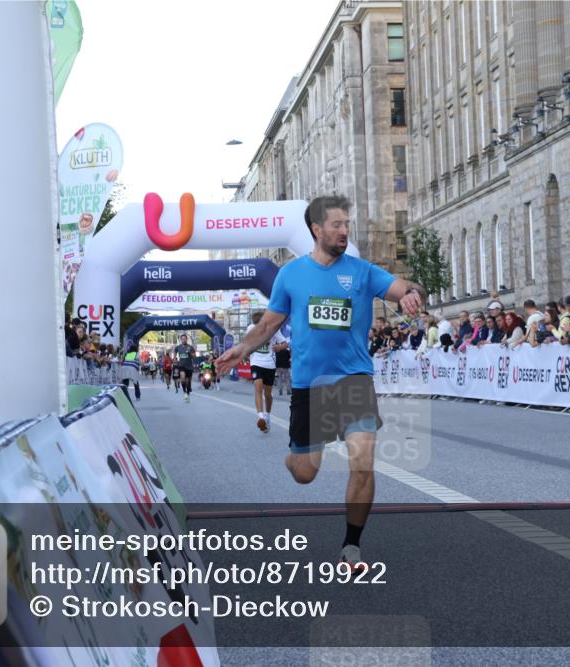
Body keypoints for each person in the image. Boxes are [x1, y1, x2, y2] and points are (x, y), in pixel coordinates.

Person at [215, 194, 426, 570]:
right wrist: (243, 349)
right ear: (317, 230)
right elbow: (269, 324)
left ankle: (351, 547)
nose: (345, 231)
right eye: (337, 225)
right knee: (304, 473)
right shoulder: (291, 275)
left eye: (347, 224)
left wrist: (412, 295)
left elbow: (406, 287)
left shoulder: (362, 272)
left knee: (362, 462)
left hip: (354, 381)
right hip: (310, 387)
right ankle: (296, 454)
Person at [246, 310, 290, 432]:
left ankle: (267, 415)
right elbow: (246, 343)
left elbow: (286, 343)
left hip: (269, 364)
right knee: (258, 389)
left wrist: (279, 347)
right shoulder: (251, 328)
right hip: (256, 363)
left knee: (268, 394)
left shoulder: (273, 329)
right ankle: (261, 417)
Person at [173, 334, 197, 403]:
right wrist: (174, 358)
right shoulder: (178, 347)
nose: (183, 340)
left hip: (189, 367)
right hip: (181, 366)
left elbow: (194, 356)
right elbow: (175, 351)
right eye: (182, 339)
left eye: (184, 339)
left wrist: (190, 353)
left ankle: (188, 392)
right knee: (182, 377)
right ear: (181, 340)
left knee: (188, 382)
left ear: (187, 339)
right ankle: (184, 392)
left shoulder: (190, 347)